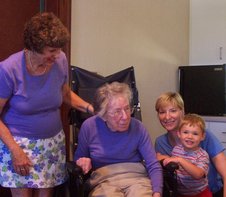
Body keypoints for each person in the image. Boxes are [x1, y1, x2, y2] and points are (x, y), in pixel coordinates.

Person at [0, 12, 94, 197]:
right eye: (51, 51)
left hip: (51, 143)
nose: (57, 55)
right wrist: (15, 151)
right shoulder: (8, 70)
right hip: (19, 145)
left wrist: (91, 109)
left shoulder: (60, 60)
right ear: (33, 47)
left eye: (59, 49)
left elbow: (64, 92)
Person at [74, 82, 163, 197]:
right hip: (103, 181)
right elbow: (79, 158)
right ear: (103, 115)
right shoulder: (89, 127)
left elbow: (153, 164)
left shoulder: (138, 127)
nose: (125, 117)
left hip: (137, 179)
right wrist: (82, 161)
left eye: (127, 109)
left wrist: (157, 192)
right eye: (117, 112)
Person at [155, 92, 226, 197]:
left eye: (173, 111)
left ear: (182, 112)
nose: (167, 116)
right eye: (162, 112)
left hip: (211, 192)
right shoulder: (161, 142)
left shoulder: (204, 136)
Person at [163, 113, 211, 197]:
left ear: (202, 136)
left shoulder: (202, 155)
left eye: (195, 134)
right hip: (180, 193)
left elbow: (198, 175)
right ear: (179, 134)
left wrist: (180, 160)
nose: (190, 136)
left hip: (200, 193)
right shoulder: (176, 150)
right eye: (185, 132)